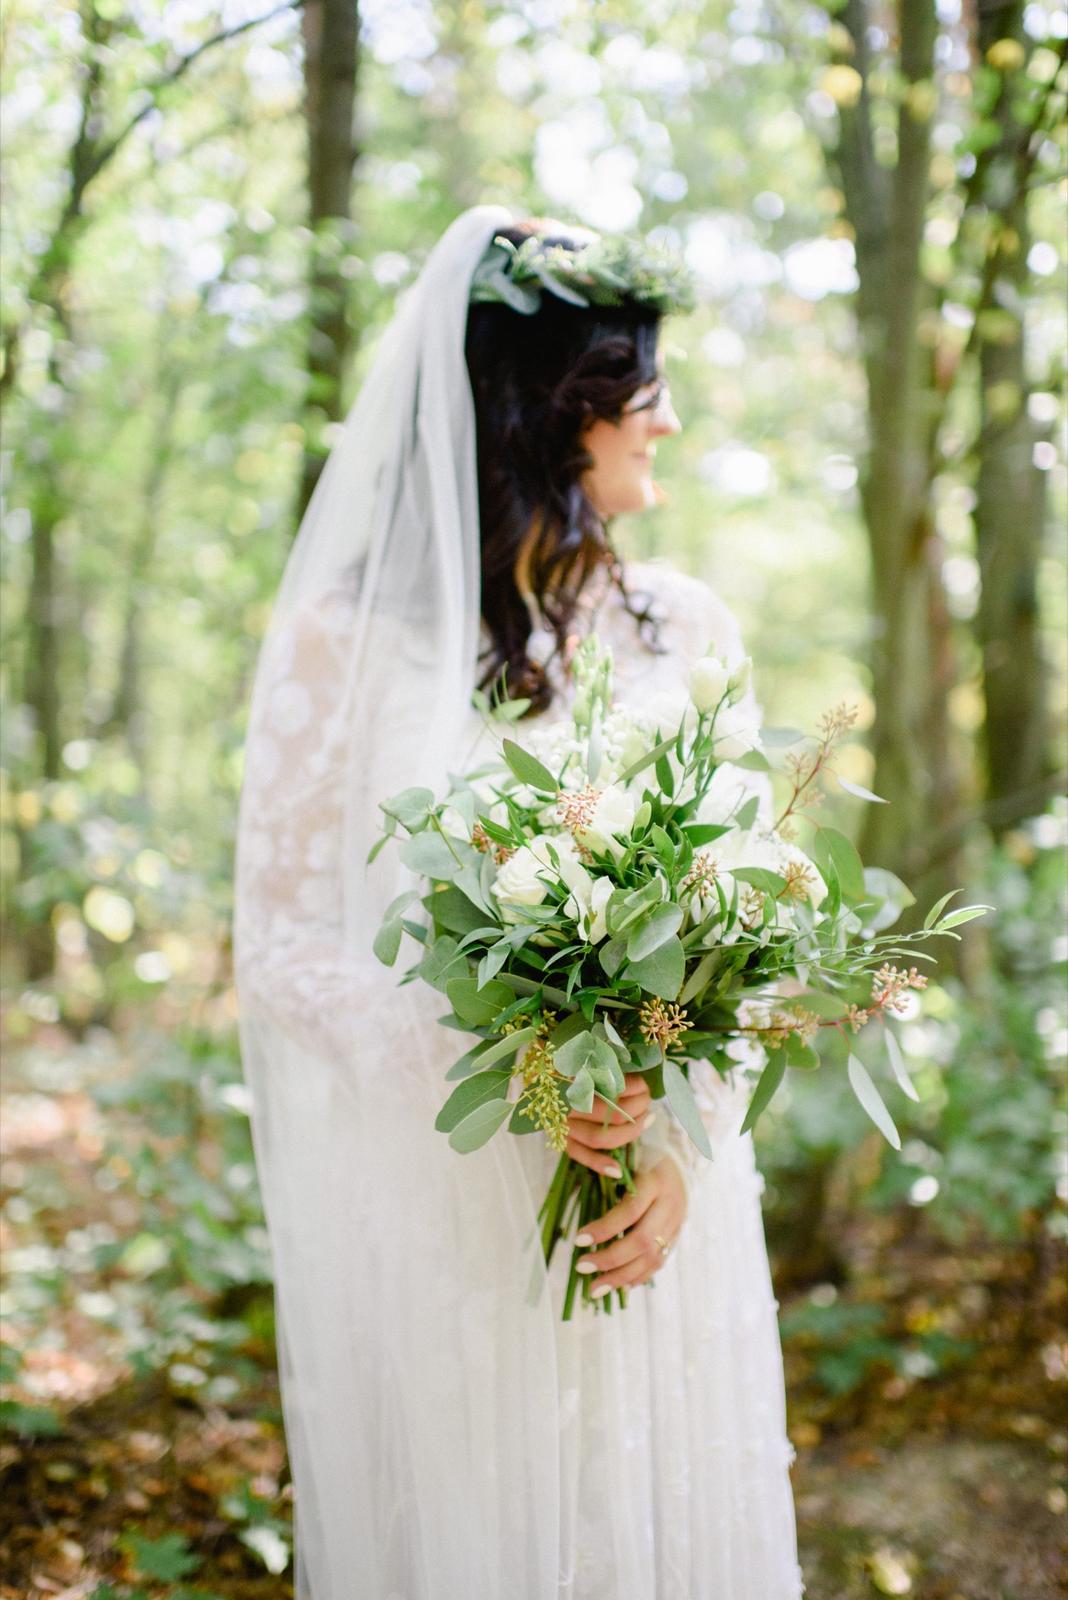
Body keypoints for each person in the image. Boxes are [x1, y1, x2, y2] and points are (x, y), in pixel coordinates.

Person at [234, 206, 804, 1599]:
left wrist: (675, 1135)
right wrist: (484, 1053)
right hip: (453, 1192)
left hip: (660, 1187)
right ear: (554, 411)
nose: (669, 422)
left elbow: (748, 916)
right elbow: (279, 941)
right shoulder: (345, 644)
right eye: (643, 390)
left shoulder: (689, 628)